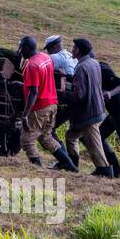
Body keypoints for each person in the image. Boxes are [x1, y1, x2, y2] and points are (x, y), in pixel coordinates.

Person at [16, 36, 77, 171]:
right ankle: (69, 165)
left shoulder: (32, 66)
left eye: (20, 49)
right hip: (52, 103)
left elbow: (33, 93)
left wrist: (25, 115)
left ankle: (38, 169)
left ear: (26, 48)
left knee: (27, 140)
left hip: (40, 106)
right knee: (45, 137)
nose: (19, 52)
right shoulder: (45, 58)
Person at [63, 38, 114, 177]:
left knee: (94, 144)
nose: (72, 50)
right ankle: (72, 164)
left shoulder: (81, 67)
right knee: (71, 136)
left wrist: (66, 94)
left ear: (78, 50)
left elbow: (79, 94)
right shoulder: (93, 62)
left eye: (73, 48)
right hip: (96, 108)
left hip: (88, 113)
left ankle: (104, 171)